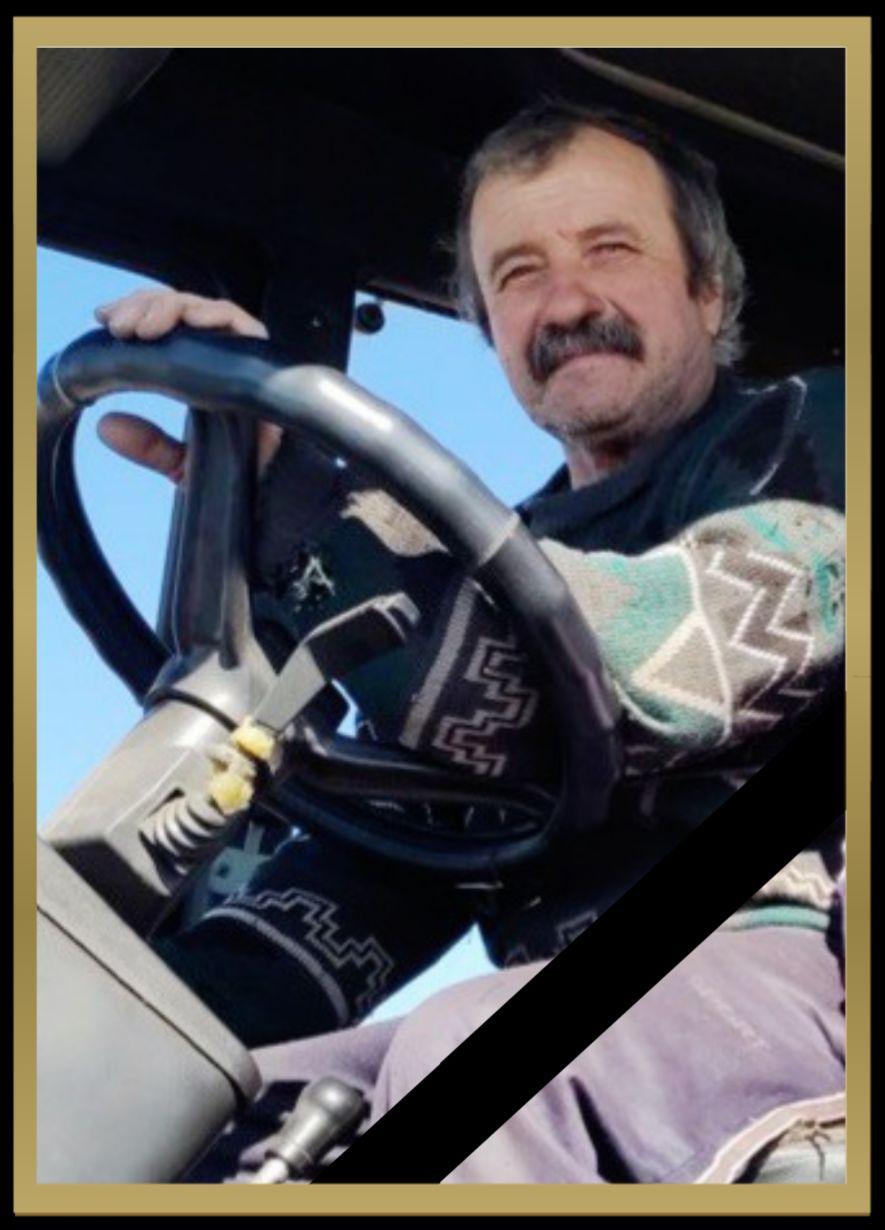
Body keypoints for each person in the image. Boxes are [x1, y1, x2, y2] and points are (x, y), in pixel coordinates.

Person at [93, 102, 845, 1183]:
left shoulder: (816, 442)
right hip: (576, 1008)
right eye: (519, 273)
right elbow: (391, 855)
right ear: (490, 328)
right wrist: (124, 1026)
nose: (567, 302)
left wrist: (300, 497)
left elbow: (649, 670)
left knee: (468, 1048)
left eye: (611, 249)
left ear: (708, 290)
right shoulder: (507, 557)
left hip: (793, 971)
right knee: (199, 1111)